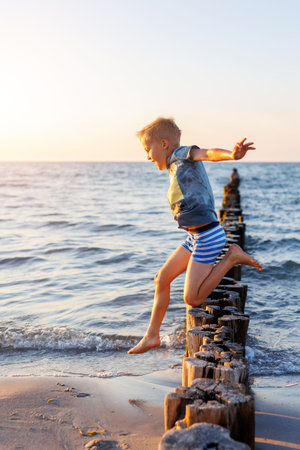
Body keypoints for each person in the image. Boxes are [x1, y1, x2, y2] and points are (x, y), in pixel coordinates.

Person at [128, 117, 262, 355]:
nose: (147, 156)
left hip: (209, 236)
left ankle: (231, 257)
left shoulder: (182, 155)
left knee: (192, 298)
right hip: (195, 237)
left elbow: (207, 153)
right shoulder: (173, 166)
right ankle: (152, 336)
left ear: (164, 144)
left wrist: (232, 155)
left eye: (148, 150)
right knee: (161, 278)